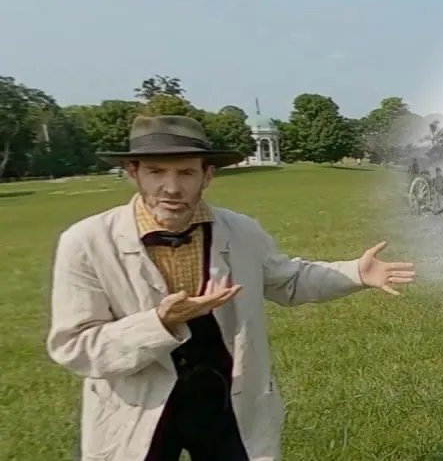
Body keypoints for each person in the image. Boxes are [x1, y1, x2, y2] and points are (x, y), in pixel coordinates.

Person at [46, 115, 416, 461]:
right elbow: (74, 346)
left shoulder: (241, 231)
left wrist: (355, 273)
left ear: (208, 176)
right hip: (137, 403)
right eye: (156, 171)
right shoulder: (86, 242)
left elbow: (288, 280)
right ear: (133, 173)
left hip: (224, 397)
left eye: (186, 172)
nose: (172, 187)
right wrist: (159, 323)